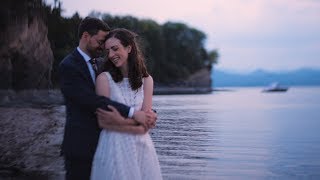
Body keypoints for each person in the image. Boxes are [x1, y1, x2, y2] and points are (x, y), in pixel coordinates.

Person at [59, 17, 157, 180]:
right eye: (101, 42)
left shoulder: (102, 64)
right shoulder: (69, 66)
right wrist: (134, 114)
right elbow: (93, 101)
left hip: (124, 145)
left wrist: (149, 114)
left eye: (112, 48)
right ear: (86, 36)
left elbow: (139, 109)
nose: (107, 52)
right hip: (82, 144)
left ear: (129, 48)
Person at [90, 28, 162, 180]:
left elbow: (145, 126)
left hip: (142, 149)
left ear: (129, 48)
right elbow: (102, 122)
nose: (110, 55)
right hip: (113, 146)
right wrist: (136, 121)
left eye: (115, 49)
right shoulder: (104, 79)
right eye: (108, 51)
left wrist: (118, 120)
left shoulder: (147, 80)